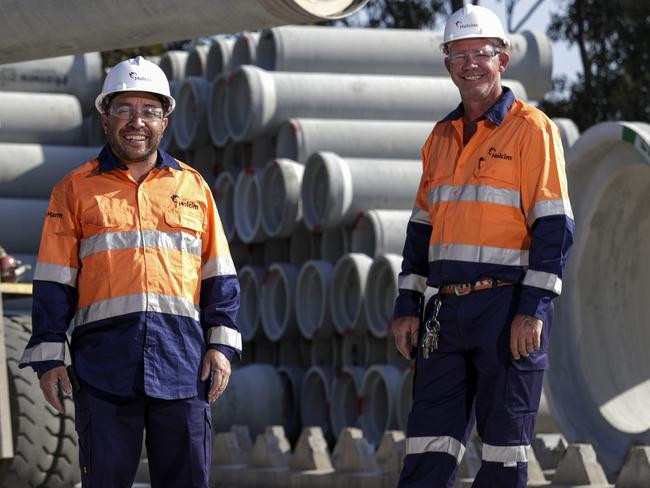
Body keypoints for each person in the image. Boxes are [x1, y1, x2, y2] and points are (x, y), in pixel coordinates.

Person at [18, 56, 241, 488]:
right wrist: (49, 357)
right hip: (103, 371)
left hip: (183, 369)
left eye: (149, 111)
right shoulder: (74, 190)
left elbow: (220, 277)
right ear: (105, 119)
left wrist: (221, 347)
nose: (136, 121)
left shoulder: (193, 188)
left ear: (165, 121)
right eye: (124, 109)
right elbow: (53, 280)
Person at [392, 5, 574, 487]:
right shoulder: (439, 138)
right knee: (426, 452)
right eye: (459, 53)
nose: (470, 63)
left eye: (481, 53)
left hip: (507, 308)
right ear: (447, 63)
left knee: (501, 456)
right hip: (445, 314)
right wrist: (408, 304)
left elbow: (555, 229)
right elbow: (420, 231)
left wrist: (532, 309)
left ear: (503, 60)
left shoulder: (532, 130)